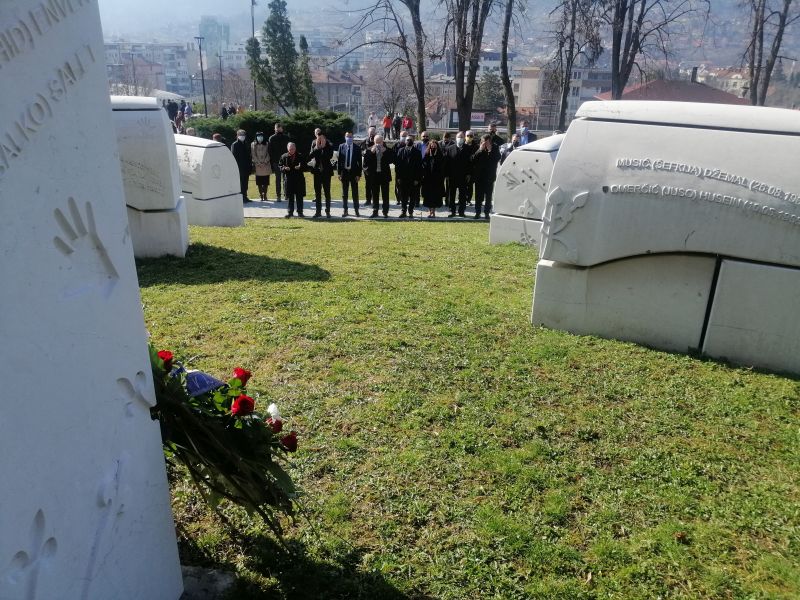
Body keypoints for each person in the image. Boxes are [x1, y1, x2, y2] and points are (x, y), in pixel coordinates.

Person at [470, 133, 501, 218]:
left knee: (488, 196)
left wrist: (490, 150)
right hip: (479, 176)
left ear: (490, 141)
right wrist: (480, 150)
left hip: (489, 176)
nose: (485, 143)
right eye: (483, 141)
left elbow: (498, 158)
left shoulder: (495, 147)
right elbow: (472, 159)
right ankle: (477, 212)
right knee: (478, 196)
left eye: (486, 142)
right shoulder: (477, 147)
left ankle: (487, 213)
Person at [363, 134, 394, 217]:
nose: (378, 144)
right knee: (375, 194)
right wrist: (371, 153)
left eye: (380, 142)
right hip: (374, 176)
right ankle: (375, 211)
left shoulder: (388, 150)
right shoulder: (369, 150)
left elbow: (391, 160)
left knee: (385, 195)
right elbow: (366, 162)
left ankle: (385, 211)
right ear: (374, 142)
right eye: (377, 142)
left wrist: (385, 152)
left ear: (382, 142)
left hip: (384, 176)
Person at [393, 133, 422, 218]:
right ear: (405, 141)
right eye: (408, 140)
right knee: (403, 196)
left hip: (413, 178)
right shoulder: (400, 151)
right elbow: (398, 166)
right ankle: (403, 211)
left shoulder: (417, 152)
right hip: (403, 178)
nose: (409, 141)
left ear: (413, 141)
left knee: (412, 196)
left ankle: (411, 212)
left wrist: (417, 179)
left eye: (411, 140)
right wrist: (398, 177)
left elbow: (419, 167)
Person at [446, 131, 473, 217]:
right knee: (452, 194)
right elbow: (446, 163)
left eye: (461, 137)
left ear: (464, 138)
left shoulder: (468, 148)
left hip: (463, 176)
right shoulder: (449, 148)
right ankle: (452, 211)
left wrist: (469, 174)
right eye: (458, 137)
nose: (460, 139)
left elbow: (470, 163)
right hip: (452, 176)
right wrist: (447, 174)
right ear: (455, 138)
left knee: (462, 195)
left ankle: (461, 211)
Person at [310, 132, 335, 217]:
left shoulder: (329, 146)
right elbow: (310, 156)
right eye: (319, 139)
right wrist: (317, 147)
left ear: (325, 139)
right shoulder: (315, 146)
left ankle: (328, 211)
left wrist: (323, 147)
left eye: (322, 139)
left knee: (327, 192)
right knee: (317, 193)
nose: (320, 141)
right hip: (317, 172)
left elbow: (328, 156)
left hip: (326, 173)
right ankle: (318, 212)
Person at [337, 132, 362, 217]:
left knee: (355, 193)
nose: (349, 138)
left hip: (354, 173)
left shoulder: (357, 148)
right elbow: (339, 161)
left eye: (351, 137)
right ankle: (345, 210)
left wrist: (359, 175)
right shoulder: (341, 146)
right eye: (348, 136)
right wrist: (339, 173)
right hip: (344, 173)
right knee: (344, 193)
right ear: (345, 137)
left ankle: (356, 210)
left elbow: (360, 162)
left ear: (353, 137)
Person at [279, 142, 306, 217]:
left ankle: (300, 212)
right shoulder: (284, 156)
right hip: (289, 179)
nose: (292, 150)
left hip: (299, 179)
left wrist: (300, 167)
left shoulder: (300, 156)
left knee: (299, 197)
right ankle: (290, 212)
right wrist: (284, 168)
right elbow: (280, 166)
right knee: (290, 197)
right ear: (287, 148)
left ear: (295, 148)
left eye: (293, 149)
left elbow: (305, 166)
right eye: (290, 149)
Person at [421, 140, 446, 218]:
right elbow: (423, 164)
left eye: (434, 145)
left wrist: (435, 157)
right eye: (431, 145)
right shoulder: (427, 154)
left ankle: (433, 211)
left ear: (437, 146)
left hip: (437, 180)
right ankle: (430, 211)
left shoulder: (440, 154)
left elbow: (442, 166)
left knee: (435, 196)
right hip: (428, 179)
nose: (433, 147)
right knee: (428, 196)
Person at [268, 123, 290, 201]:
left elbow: (289, 150)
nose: (278, 129)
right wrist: (273, 160)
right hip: (276, 161)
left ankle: (286, 194)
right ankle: (278, 195)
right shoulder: (271, 138)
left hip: (286, 161)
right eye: (276, 128)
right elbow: (270, 151)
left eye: (279, 128)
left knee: (286, 179)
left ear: (282, 129)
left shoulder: (286, 138)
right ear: (274, 129)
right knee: (278, 179)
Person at [230, 129, 252, 203]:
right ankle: (241, 198)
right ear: (237, 136)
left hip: (246, 167)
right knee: (241, 183)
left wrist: (250, 166)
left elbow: (249, 156)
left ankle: (245, 196)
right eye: (241, 135)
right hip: (239, 167)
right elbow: (233, 157)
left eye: (243, 135)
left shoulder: (246, 143)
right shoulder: (234, 144)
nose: (242, 136)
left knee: (245, 183)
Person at [251, 131, 272, 202]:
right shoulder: (253, 144)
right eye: (258, 136)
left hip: (266, 165)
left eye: (261, 136)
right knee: (259, 182)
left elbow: (269, 153)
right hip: (258, 165)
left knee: (266, 182)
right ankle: (261, 195)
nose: (260, 137)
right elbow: (253, 154)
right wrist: (258, 163)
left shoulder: (267, 144)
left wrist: (265, 161)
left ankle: (265, 195)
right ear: (256, 137)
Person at [360, 126, 377, 208]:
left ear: (375, 133)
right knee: (368, 184)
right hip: (367, 167)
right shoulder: (364, 142)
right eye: (370, 133)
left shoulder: (379, 141)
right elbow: (363, 153)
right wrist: (370, 149)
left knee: (375, 184)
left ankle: (375, 200)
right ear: (368, 133)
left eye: (373, 133)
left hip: (376, 167)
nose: (371, 134)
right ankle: (368, 200)